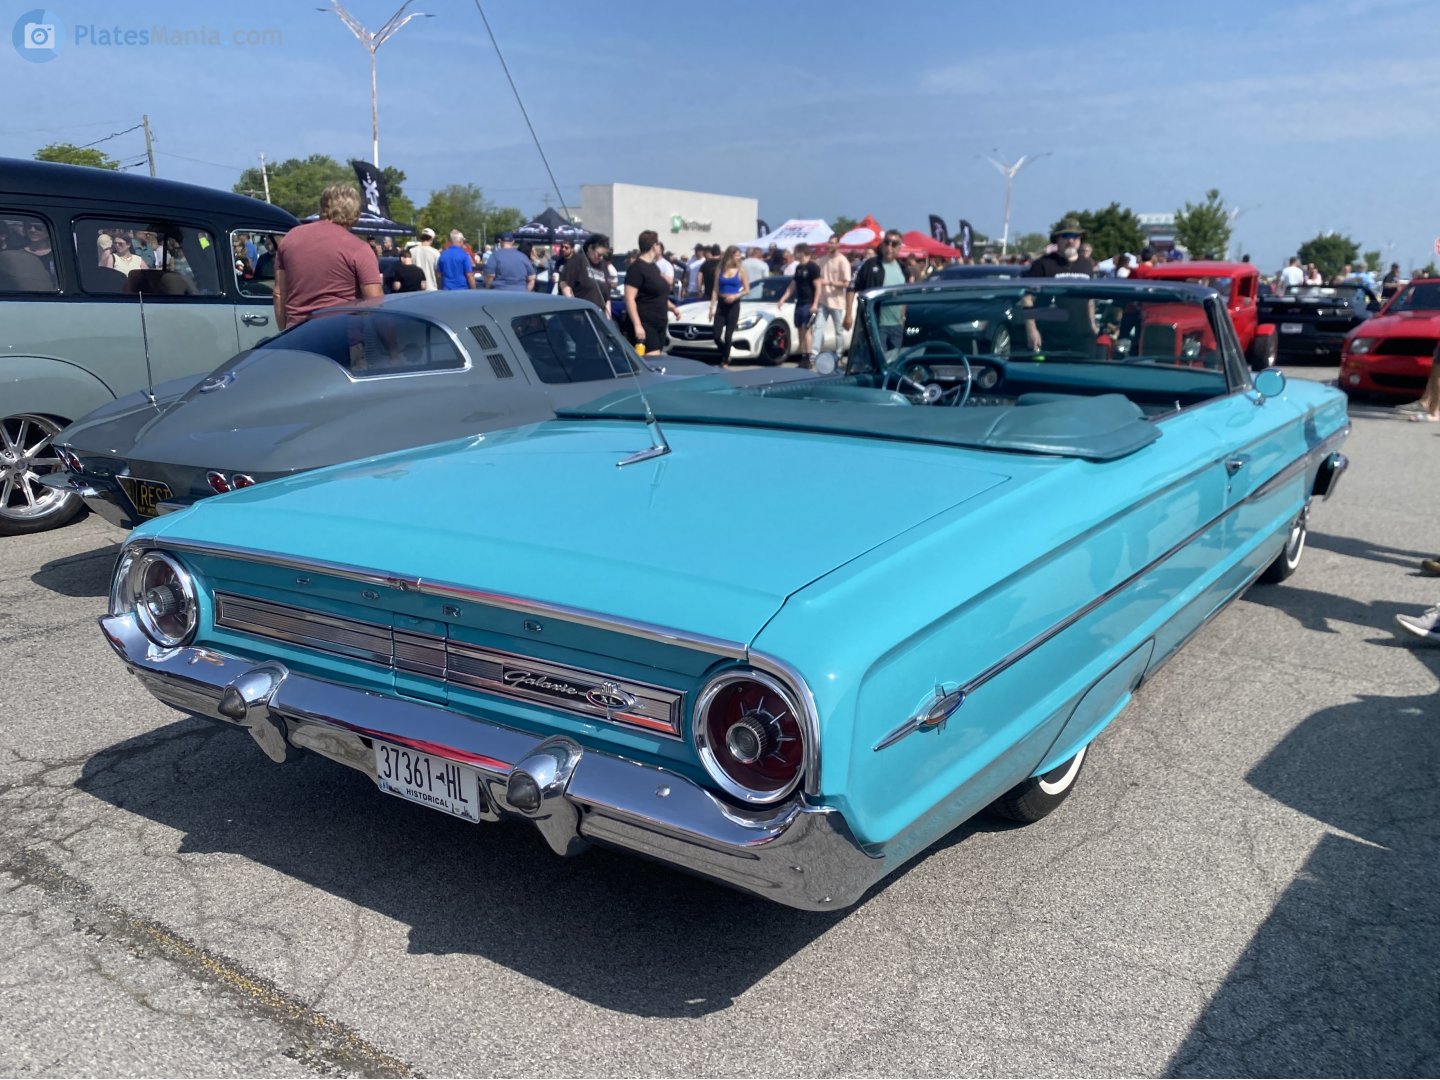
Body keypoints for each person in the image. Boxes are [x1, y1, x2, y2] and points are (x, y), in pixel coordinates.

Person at [273, 184, 383, 330]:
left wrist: (284, 332)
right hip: (340, 336)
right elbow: (374, 303)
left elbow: (279, 293)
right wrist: (392, 346)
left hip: (297, 334)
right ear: (355, 213)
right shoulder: (359, 248)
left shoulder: (290, 238)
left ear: (323, 208)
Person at [846, 230, 908, 349]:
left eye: (894, 244)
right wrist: (848, 314)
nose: (889, 247)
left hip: (896, 325)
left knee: (895, 362)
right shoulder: (871, 265)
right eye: (887, 242)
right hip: (876, 323)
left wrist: (902, 318)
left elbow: (904, 296)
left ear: (899, 247)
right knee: (879, 361)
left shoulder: (903, 269)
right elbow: (852, 287)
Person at [623, 229, 679, 354]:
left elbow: (658, 294)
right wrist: (637, 325)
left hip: (659, 321)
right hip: (646, 322)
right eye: (658, 243)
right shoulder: (636, 268)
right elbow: (629, 298)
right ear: (654, 246)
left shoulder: (653, 267)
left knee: (657, 359)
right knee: (652, 360)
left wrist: (673, 308)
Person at [776, 243, 820, 364]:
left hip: (809, 302)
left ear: (802, 252)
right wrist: (783, 299)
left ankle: (809, 356)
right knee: (800, 329)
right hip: (799, 302)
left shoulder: (813, 267)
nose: (795, 255)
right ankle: (803, 354)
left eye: (797, 252)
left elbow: (818, 286)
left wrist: (815, 303)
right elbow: (792, 285)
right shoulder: (799, 268)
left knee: (806, 329)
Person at [708, 245, 749, 367]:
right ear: (730, 256)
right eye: (737, 255)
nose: (739, 258)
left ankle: (725, 360)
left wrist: (735, 296)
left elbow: (747, 290)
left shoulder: (741, 271)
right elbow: (715, 289)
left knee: (728, 335)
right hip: (721, 303)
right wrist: (711, 307)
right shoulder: (720, 269)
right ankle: (727, 352)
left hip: (734, 304)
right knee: (716, 335)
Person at [1025, 218, 1095, 279]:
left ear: (1080, 239)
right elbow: (1029, 293)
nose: (1070, 241)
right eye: (1066, 236)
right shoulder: (1042, 265)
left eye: (1075, 236)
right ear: (1057, 239)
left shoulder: (1087, 264)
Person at [816, 235, 852, 352]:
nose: (830, 245)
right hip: (823, 300)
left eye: (833, 243)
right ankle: (814, 355)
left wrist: (829, 282)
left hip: (837, 301)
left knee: (838, 330)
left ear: (838, 245)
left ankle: (839, 354)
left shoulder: (843, 261)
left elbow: (846, 283)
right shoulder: (822, 260)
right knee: (818, 327)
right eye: (829, 243)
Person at [559, 232, 611, 310]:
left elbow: (607, 298)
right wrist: (574, 306)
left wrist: (607, 318)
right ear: (590, 248)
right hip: (580, 313)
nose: (601, 258)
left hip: (598, 314)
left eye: (604, 255)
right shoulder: (578, 260)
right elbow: (564, 284)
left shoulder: (603, 266)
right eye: (599, 254)